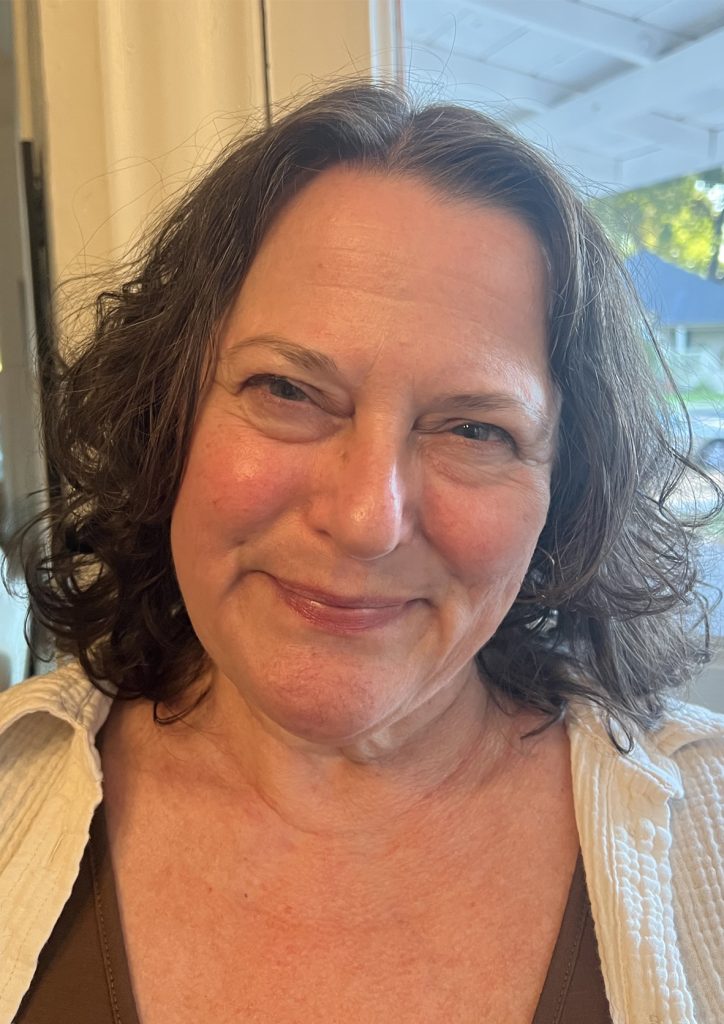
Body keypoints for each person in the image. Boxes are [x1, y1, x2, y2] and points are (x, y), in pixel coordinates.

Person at [1, 81, 722, 1024]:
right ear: (166, 417)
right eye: (287, 391)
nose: (365, 519)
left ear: (565, 492)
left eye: (475, 429)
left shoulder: (709, 821)